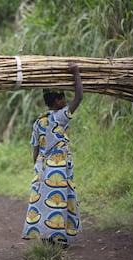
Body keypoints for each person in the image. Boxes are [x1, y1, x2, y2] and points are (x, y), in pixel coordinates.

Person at [21, 63, 83, 247]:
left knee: (46, 202)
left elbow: (35, 149)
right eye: (63, 98)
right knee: (60, 200)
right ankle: (60, 236)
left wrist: (37, 169)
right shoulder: (61, 116)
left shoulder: (38, 121)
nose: (65, 100)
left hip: (42, 166)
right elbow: (79, 96)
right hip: (59, 166)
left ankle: (48, 236)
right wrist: (76, 73)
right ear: (56, 102)